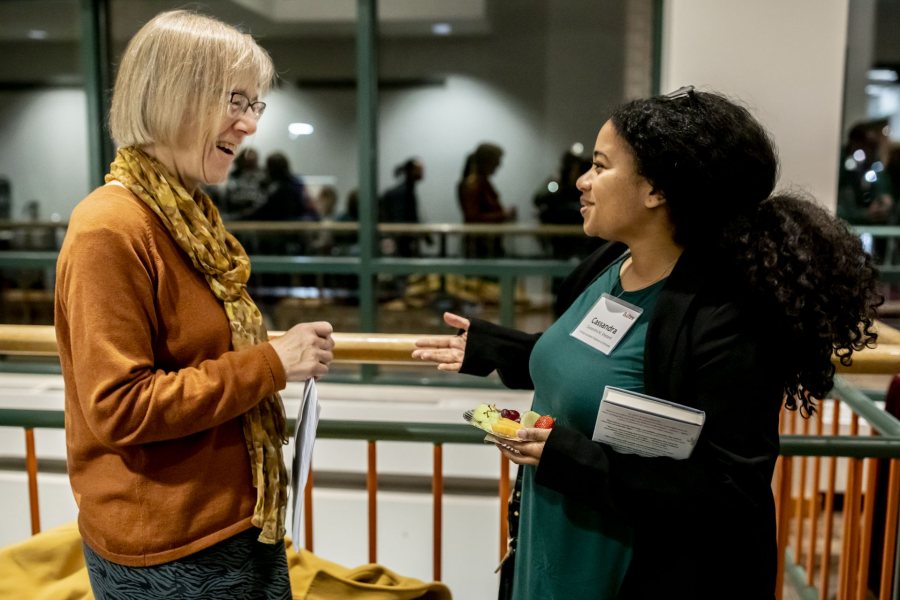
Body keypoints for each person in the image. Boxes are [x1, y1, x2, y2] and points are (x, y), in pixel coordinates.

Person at [413, 87, 881, 599]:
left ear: (657, 189)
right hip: (554, 539)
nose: (581, 182)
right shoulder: (607, 265)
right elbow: (593, 364)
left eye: (600, 166)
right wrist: (498, 350)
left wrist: (571, 458)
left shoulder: (728, 316)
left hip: (640, 569)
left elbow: (729, 491)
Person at [53, 10, 335, 599]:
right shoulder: (110, 227)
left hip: (228, 519)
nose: (250, 125)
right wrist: (271, 364)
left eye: (256, 105)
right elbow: (121, 407)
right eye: (236, 100)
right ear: (174, 94)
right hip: (170, 546)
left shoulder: (184, 215)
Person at [458, 143, 516, 258]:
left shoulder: (482, 182)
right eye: (497, 161)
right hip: (481, 246)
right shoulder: (473, 185)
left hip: (489, 243)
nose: (499, 165)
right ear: (487, 161)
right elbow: (472, 217)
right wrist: (503, 215)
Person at [379, 157, 429, 258]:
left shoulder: (408, 190)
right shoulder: (402, 193)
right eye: (419, 170)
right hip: (401, 241)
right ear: (410, 171)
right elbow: (400, 220)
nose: (422, 173)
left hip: (405, 239)